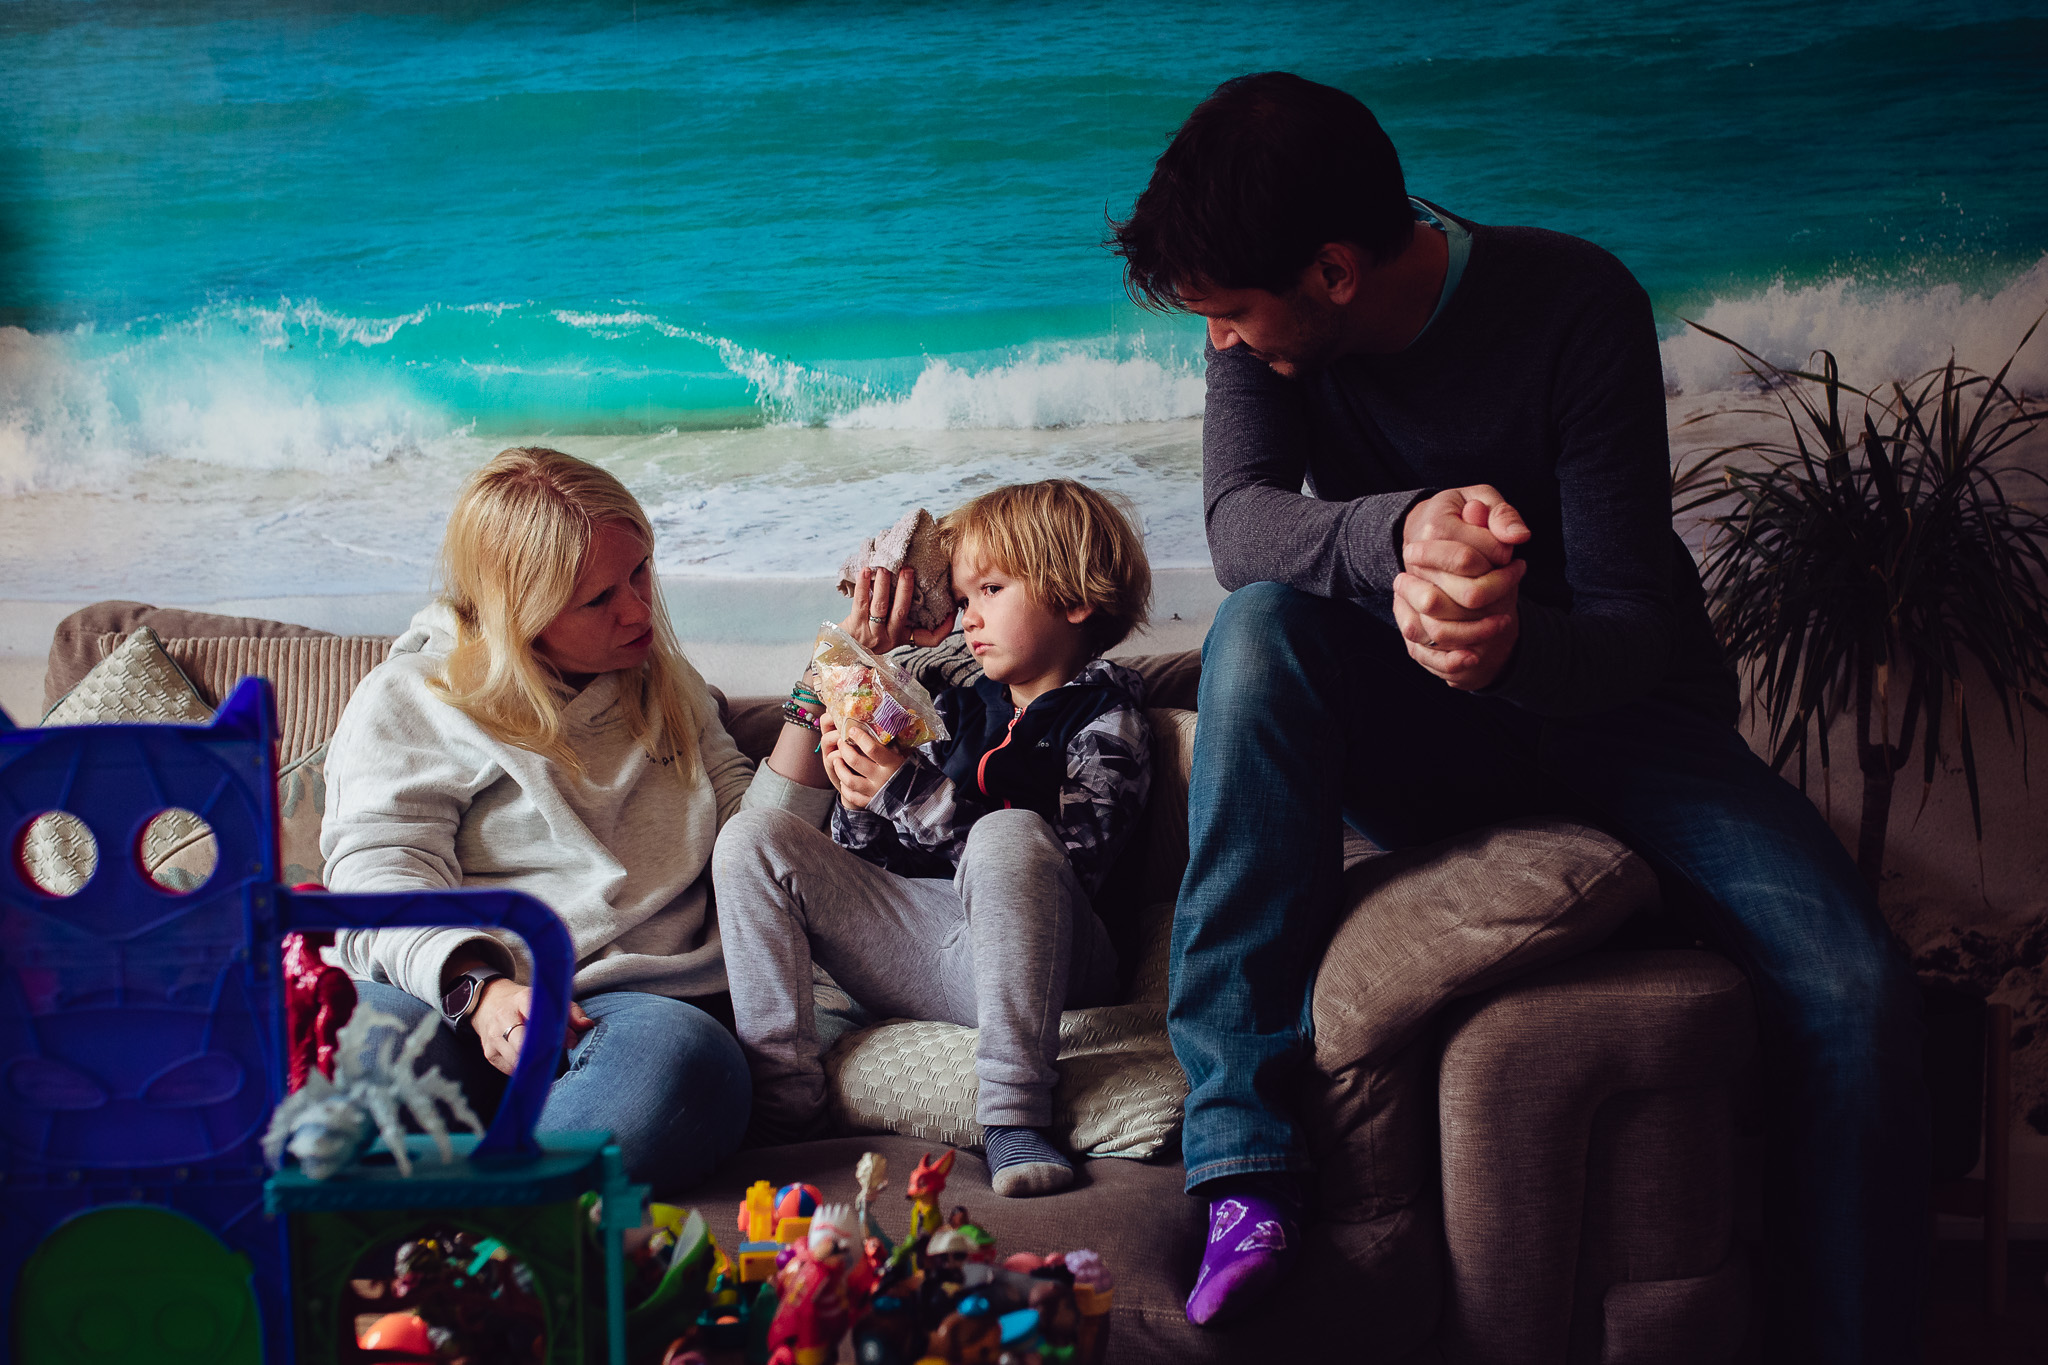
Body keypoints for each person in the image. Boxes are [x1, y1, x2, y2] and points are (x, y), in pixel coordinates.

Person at [1109, 72, 1927, 1356]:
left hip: (1626, 718)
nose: (1218, 340)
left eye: (1230, 315)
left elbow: (1624, 627)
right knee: (1258, 624)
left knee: (1857, 988)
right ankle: (1243, 1166)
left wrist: (1502, 650)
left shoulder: (1572, 303)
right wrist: (1401, 529)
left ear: (1332, 270)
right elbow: (1240, 528)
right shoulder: (1257, 331)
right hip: (1419, 724)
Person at [322, 446, 837, 1192]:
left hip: (632, 1014)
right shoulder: (412, 694)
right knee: (344, 1039)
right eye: (597, 599)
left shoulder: (665, 682)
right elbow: (375, 881)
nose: (637, 609)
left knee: (688, 1070)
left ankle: (481, 1232)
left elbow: (752, 844)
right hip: (451, 993)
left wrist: (821, 699)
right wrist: (479, 990)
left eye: (640, 572)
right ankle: (497, 1219)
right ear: (518, 612)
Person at [713, 479, 1153, 1197]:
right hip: (928, 950)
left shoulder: (1109, 720)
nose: (969, 617)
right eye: (964, 596)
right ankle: (784, 1106)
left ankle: (1014, 1114)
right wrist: (858, 780)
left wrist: (903, 787)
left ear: (1075, 600)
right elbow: (871, 855)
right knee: (750, 838)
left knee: (1011, 834)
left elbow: (1071, 867)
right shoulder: (950, 698)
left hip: (1049, 958)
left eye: (991, 590)